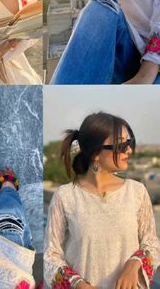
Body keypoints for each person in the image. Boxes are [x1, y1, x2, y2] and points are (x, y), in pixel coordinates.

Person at [44, 112, 160, 289]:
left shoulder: (137, 192)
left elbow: (152, 243)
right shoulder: (65, 197)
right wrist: (77, 283)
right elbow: (51, 256)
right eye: (121, 145)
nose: (129, 150)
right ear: (96, 154)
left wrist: (135, 262)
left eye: (129, 143)